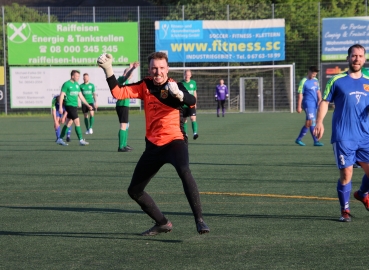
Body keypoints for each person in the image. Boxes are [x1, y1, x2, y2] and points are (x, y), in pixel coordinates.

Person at [97, 51, 210, 236]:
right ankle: (162, 223)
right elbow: (118, 93)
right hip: (153, 146)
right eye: (154, 68)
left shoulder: (175, 86)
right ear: (149, 70)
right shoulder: (145, 85)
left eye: (161, 68)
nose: (158, 72)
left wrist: (180, 95)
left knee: (184, 170)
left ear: (168, 69)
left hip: (175, 141)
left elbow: (192, 101)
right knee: (134, 190)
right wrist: (108, 70)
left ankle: (200, 220)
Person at [314, 44, 369, 222]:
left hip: (366, 135)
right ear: (348, 58)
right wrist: (319, 122)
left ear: (364, 59)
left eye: (360, 56)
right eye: (354, 56)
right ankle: (344, 210)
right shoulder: (337, 80)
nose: (357, 59)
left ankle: (361, 194)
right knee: (346, 174)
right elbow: (324, 101)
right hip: (344, 135)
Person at [56, 70, 92, 146]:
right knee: (77, 121)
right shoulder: (66, 84)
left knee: (68, 123)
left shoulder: (77, 85)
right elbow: (62, 95)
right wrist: (60, 107)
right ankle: (81, 140)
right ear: (72, 76)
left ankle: (60, 139)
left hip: (74, 106)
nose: (78, 77)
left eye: (79, 76)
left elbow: (81, 96)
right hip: (69, 105)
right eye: (77, 76)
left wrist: (88, 105)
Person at [295, 66, 324, 147]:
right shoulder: (303, 81)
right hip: (308, 104)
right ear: (309, 72)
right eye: (313, 74)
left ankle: (298, 139)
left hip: (314, 104)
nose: (314, 76)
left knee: (308, 123)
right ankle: (316, 141)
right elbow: (300, 95)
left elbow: (318, 91)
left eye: (315, 75)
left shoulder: (316, 80)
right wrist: (299, 106)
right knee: (312, 122)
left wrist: (320, 100)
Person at [116, 61, 140, 152]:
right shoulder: (121, 79)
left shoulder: (126, 81)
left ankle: (124, 144)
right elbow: (126, 75)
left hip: (124, 105)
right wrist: (132, 68)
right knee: (123, 125)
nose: (131, 75)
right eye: (129, 73)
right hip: (122, 105)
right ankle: (121, 146)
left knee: (126, 125)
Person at [181, 70, 199, 139]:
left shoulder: (193, 83)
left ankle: (195, 133)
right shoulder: (181, 83)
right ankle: (185, 134)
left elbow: (195, 93)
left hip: (191, 104)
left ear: (190, 75)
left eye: (188, 75)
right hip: (184, 104)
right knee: (184, 120)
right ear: (184, 75)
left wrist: (195, 102)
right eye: (186, 75)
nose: (187, 76)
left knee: (193, 118)